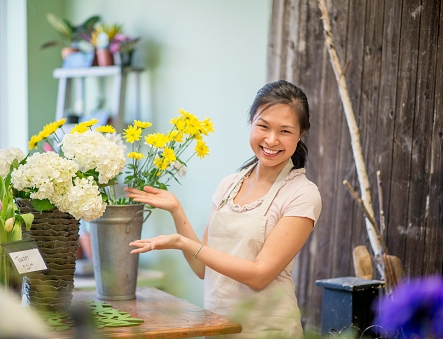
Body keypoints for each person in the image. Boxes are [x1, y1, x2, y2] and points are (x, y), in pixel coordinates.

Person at [125, 80, 322, 338]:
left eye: (285, 131)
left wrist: (183, 243)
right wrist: (176, 210)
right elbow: (203, 269)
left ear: (301, 133)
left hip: (267, 331)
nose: (271, 140)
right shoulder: (230, 184)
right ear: (251, 122)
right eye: (263, 126)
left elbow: (259, 275)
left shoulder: (302, 194)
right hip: (219, 328)